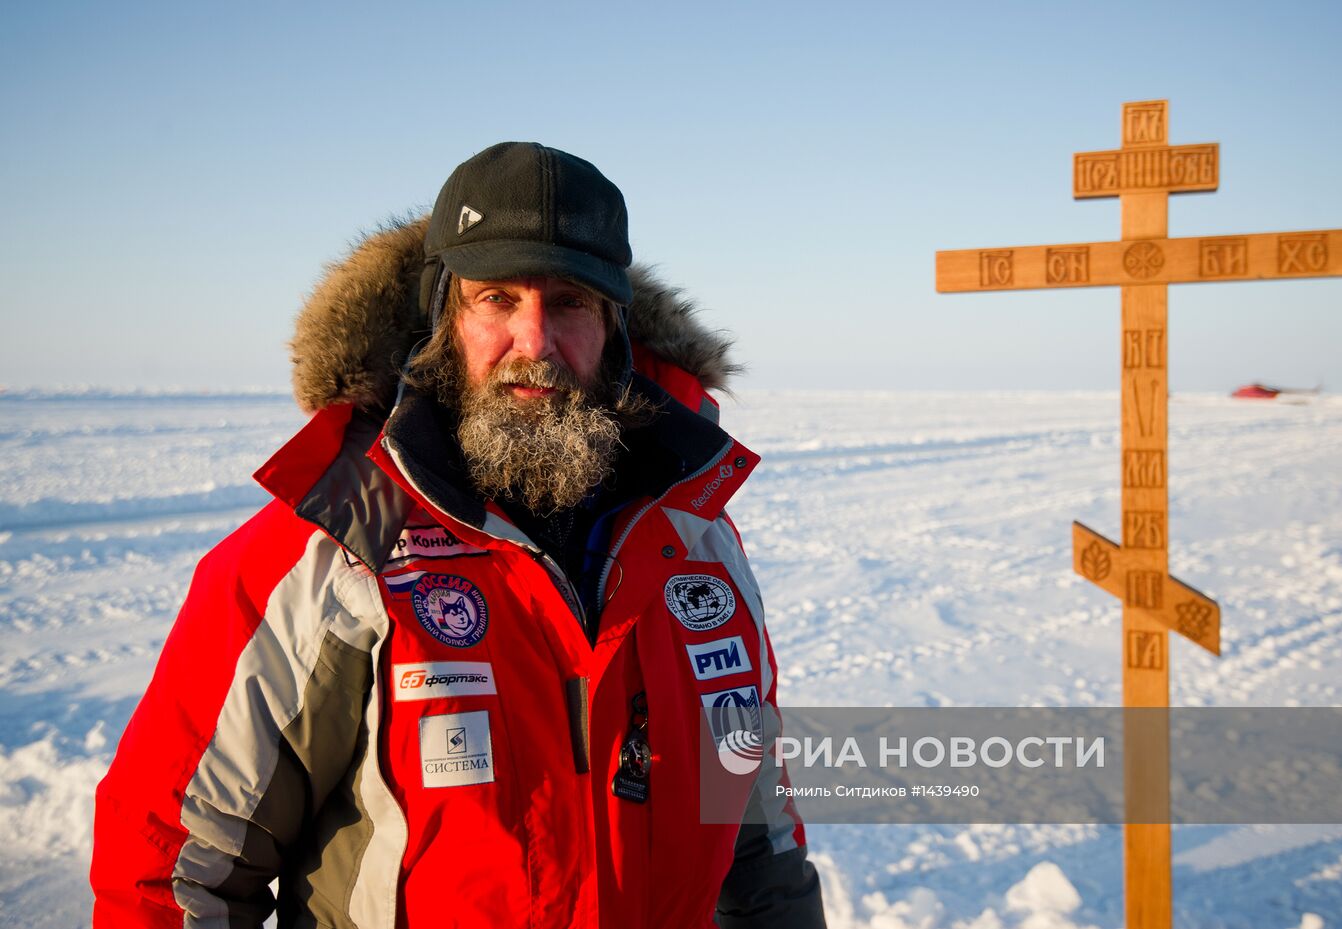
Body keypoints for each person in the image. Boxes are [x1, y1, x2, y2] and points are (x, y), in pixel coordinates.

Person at [90, 142, 826, 929]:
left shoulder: (696, 538)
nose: (536, 342)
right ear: (443, 314)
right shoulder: (331, 548)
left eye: (571, 301)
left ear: (616, 327)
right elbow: (171, 874)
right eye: (498, 299)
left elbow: (757, 845)